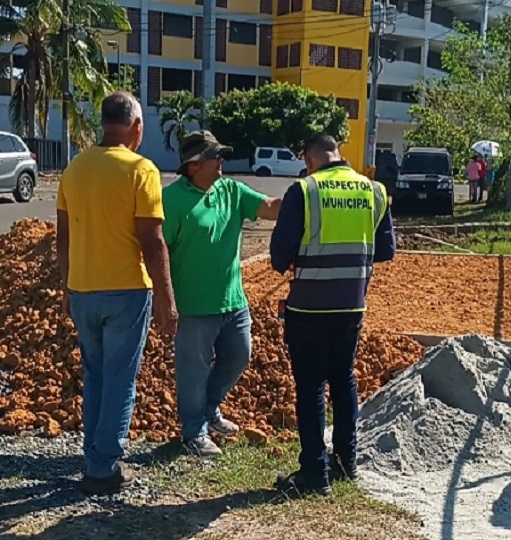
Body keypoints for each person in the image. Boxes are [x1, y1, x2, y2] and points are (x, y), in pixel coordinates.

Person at [56, 91, 177, 495]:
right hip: (126, 291)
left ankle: (95, 454)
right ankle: (103, 466)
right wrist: (167, 300)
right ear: (136, 127)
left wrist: (67, 286)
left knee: (95, 375)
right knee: (120, 379)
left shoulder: (74, 169)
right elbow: (153, 241)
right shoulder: (141, 170)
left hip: (83, 288)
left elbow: (63, 238)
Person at [269, 133, 396, 496]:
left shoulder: (305, 191)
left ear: (308, 159)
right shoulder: (373, 191)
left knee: (311, 386)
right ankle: (346, 462)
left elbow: (279, 257)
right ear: (337, 153)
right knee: (343, 379)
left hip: (308, 306)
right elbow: (386, 250)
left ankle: (314, 473)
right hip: (352, 304)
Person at [162, 131, 282, 457]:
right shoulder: (170, 201)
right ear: (194, 164)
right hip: (193, 305)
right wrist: (165, 300)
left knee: (238, 356)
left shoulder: (231, 190)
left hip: (233, 301)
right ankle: (194, 432)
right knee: (193, 371)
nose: (222, 162)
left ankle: (209, 409)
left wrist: (308, 197)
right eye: (216, 156)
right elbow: (157, 252)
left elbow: (271, 207)